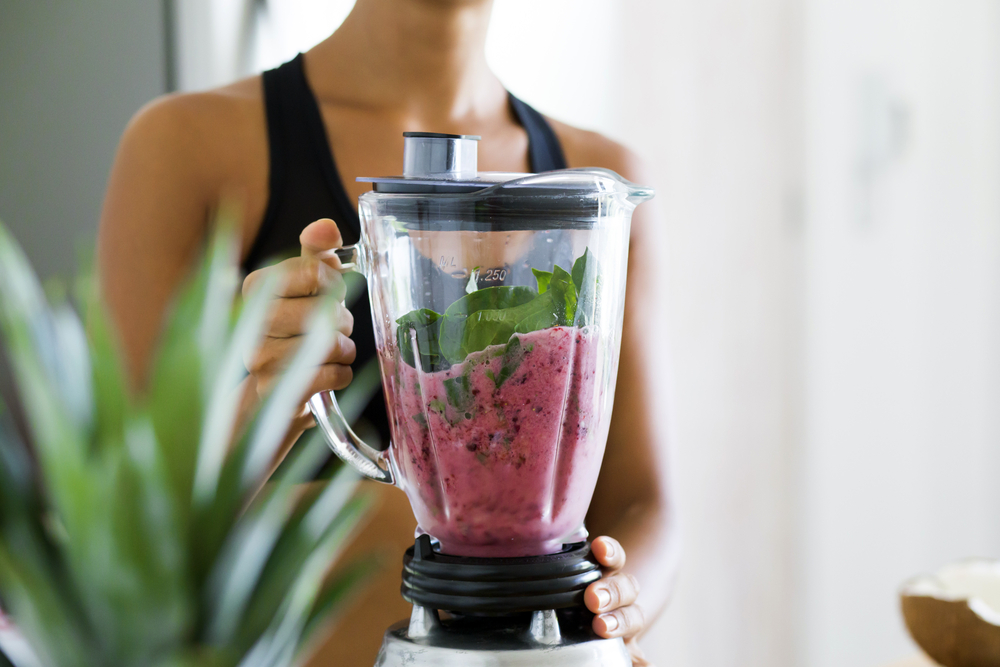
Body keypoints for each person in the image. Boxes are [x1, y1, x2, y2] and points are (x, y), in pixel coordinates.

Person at [97, 0, 678, 664]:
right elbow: (118, 547)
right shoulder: (185, 148)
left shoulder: (599, 176)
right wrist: (263, 404)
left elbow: (645, 505)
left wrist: (619, 603)